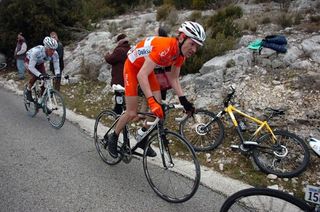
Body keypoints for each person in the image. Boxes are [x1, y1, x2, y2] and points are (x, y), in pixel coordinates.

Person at [107, 21, 206, 158]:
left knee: (157, 111)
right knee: (131, 112)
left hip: (147, 70)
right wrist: (151, 101)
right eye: (192, 44)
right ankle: (113, 137)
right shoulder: (165, 47)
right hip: (132, 67)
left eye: (197, 46)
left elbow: (174, 79)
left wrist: (184, 101)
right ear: (182, 37)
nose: (194, 50)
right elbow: (141, 75)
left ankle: (142, 137)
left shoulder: (180, 55)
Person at [25, 36, 61, 103]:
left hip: (39, 63)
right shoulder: (36, 52)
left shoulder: (55, 54)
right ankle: (28, 89)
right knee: (36, 75)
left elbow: (56, 66)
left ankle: (40, 100)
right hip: (29, 61)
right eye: (51, 49)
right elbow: (31, 67)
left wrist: (58, 74)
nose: (53, 51)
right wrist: (40, 75)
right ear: (46, 48)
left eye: (54, 49)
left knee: (45, 79)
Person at [104, 33, 131, 114]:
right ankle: (119, 110)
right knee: (123, 95)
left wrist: (107, 55)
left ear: (119, 41)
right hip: (127, 76)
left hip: (119, 76)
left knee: (118, 94)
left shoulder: (119, 50)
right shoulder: (129, 49)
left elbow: (111, 59)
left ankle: (118, 112)